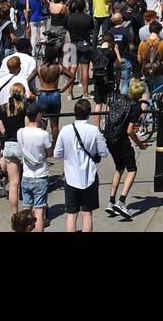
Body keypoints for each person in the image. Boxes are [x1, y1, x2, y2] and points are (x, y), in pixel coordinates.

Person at [53, 99, 109, 232]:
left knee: (71, 215)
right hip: (89, 177)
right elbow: (104, 152)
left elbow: (57, 154)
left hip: (71, 178)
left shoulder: (66, 130)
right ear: (88, 113)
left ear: (75, 113)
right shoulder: (94, 130)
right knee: (87, 213)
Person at [104, 79, 148, 219]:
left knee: (119, 168)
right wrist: (140, 144)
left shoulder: (119, 99)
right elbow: (130, 130)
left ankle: (111, 201)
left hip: (110, 139)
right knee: (132, 169)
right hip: (122, 141)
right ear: (140, 94)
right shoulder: (136, 107)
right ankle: (121, 202)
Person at [17, 101, 53, 232]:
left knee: (27, 211)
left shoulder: (20, 132)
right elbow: (50, 154)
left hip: (26, 176)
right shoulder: (43, 134)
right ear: (38, 115)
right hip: (40, 175)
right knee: (39, 213)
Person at [0, 83, 29, 216]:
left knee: (13, 184)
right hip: (22, 145)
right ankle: (29, 211)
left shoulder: (2, 108)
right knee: (27, 180)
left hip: (9, 145)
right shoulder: (24, 108)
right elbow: (27, 128)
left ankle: (15, 214)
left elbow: (2, 130)